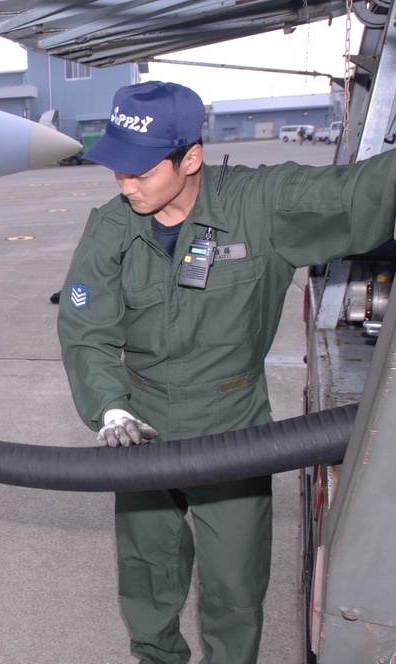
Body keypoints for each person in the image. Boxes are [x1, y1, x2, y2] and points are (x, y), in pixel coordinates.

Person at [56, 81, 396, 664]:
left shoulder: (258, 204)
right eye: (117, 170)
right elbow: (85, 329)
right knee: (147, 570)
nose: (125, 185)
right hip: (142, 423)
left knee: (234, 584)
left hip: (232, 422)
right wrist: (110, 407)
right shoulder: (111, 227)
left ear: (191, 157)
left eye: (140, 171)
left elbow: (361, 193)